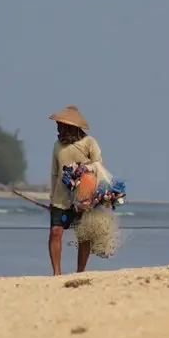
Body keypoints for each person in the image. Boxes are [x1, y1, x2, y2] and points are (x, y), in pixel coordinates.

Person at [48, 104, 103, 276]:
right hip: (60, 197)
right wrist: (51, 198)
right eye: (58, 125)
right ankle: (57, 273)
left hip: (83, 196)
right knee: (55, 232)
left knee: (83, 235)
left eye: (61, 125)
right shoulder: (57, 146)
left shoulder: (89, 142)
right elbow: (54, 172)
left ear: (71, 126)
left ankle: (80, 271)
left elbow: (99, 165)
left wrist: (84, 169)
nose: (59, 128)